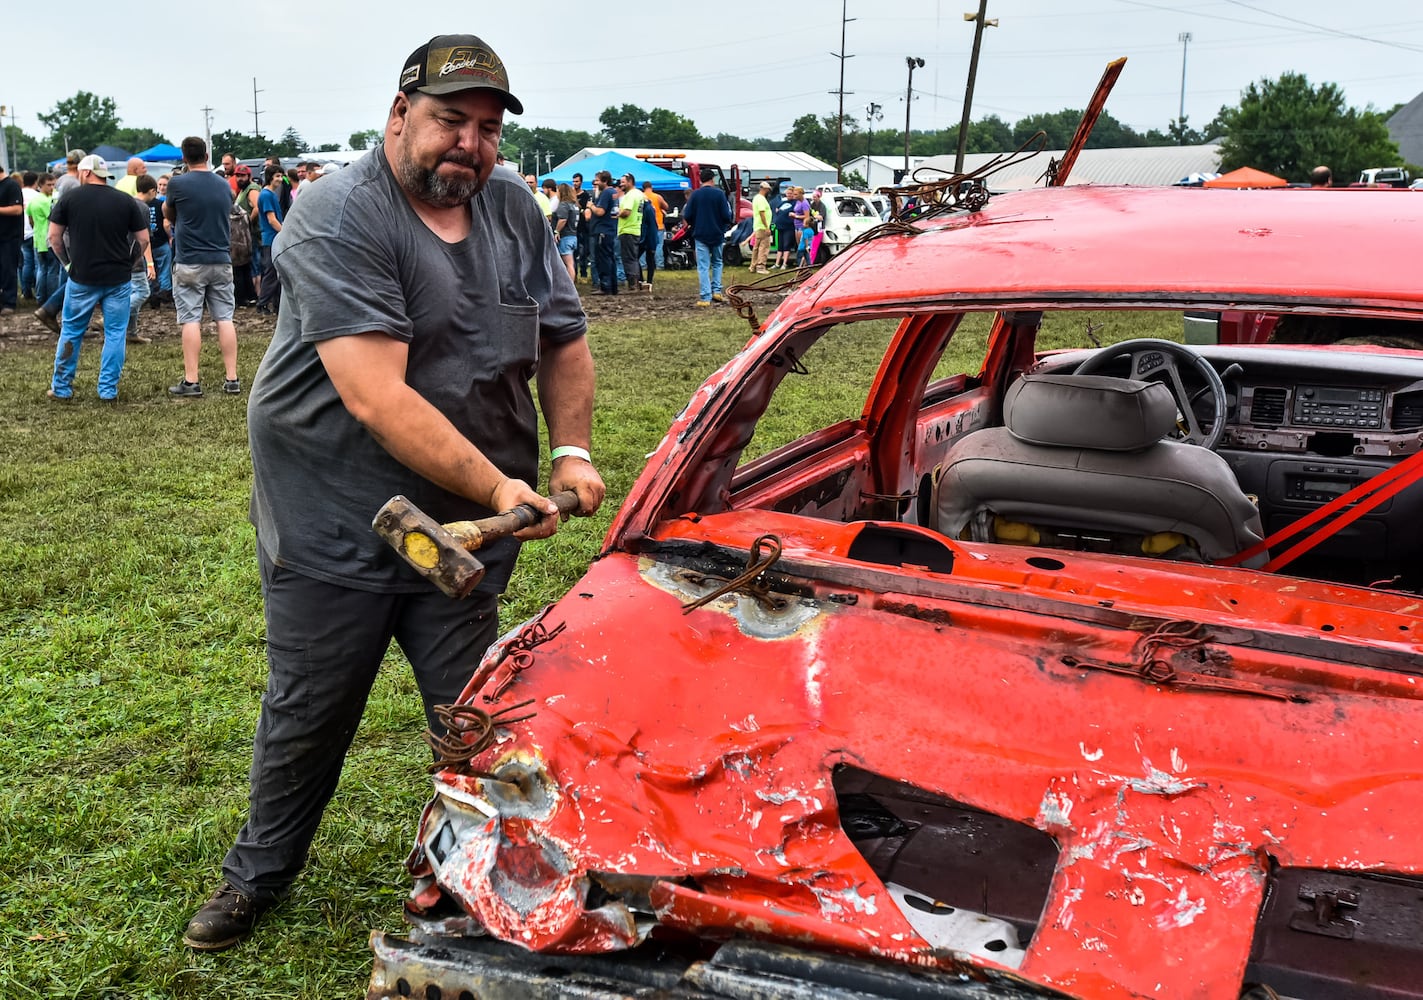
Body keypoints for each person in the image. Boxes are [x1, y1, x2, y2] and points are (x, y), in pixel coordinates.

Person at [181, 30, 604, 952]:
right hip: (337, 509)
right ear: (398, 116)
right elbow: (375, 394)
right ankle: (257, 875)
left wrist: (568, 450)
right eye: (450, 119)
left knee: (475, 710)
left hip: (468, 531)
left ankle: (501, 873)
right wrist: (504, 482)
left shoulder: (514, 211)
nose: (470, 144)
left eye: (489, 128)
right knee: (313, 704)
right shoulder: (339, 212)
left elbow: (563, 336)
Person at [45, 155, 150, 401]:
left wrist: (68, 264)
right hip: (118, 279)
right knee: (115, 333)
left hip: (82, 277)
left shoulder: (70, 198)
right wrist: (130, 262)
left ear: (84, 173)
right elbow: (143, 239)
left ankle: (61, 388)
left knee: (71, 331)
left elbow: (54, 238)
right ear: (104, 176)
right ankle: (107, 389)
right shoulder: (125, 200)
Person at [164, 136, 241, 397]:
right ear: (207, 155)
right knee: (225, 318)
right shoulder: (223, 185)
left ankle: (191, 380)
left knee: (190, 320)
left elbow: (169, 213)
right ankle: (232, 378)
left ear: (184, 158)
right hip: (220, 258)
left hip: (189, 260)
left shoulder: (177, 183)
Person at [682, 166, 732, 307]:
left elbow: (687, 215)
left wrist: (693, 225)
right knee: (717, 262)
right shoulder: (720, 194)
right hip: (716, 233)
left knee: (703, 266)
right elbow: (726, 215)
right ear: (712, 179)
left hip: (701, 233)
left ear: (700, 179)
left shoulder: (695, 195)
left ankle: (705, 297)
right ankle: (716, 291)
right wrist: (722, 227)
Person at [254, 166, 284, 316]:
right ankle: (262, 303)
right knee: (271, 273)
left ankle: (276, 304)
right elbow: (272, 220)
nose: (280, 179)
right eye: (277, 176)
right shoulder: (266, 195)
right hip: (271, 239)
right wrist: (285, 233)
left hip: (273, 238)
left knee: (276, 273)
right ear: (270, 177)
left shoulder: (270, 194)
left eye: (281, 176)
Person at [27, 174, 60, 304]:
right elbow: (54, 218)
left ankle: (40, 298)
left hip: (37, 239)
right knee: (52, 271)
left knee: (41, 269)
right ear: (40, 185)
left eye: (53, 185)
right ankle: (51, 299)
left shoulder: (33, 200)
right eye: (49, 185)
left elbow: (30, 219)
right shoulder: (48, 201)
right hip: (49, 240)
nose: (52, 188)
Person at [588, 170, 618, 295]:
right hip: (610, 229)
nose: (596, 182)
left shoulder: (606, 193)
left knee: (603, 259)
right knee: (610, 258)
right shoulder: (614, 192)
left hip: (602, 230)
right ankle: (613, 286)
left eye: (598, 180)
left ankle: (605, 286)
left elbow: (600, 211)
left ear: (605, 181)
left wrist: (591, 206)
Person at [615, 173, 643, 292]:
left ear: (630, 181)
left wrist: (618, 214)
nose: (621, 184)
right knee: (633, 257)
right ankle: (636, 282)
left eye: (623, 182)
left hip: (627, 229)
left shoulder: (630, 195)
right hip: (636, 228)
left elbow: (626, 212)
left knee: (628, 258)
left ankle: (633, 284)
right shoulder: (639, 194)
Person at [0, 165, 22, 315]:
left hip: (9, 236)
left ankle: (9, 302)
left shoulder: (11, 185)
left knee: (8, 269)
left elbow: (17, 209)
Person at [552, 181, 579, 281]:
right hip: (573, 236)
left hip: (566, 237)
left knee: (568, 264)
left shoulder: (564, 205)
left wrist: (556, 231)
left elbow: (563, 219)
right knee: (570, 263)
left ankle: (569, 286)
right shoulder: (574, 205)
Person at [640, 180, 667, 270]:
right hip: (658, 225)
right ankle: (659, 265)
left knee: (642, 246)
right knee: (658, 245)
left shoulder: (641, 197)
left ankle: (643, 265)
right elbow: (666, 206)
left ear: (643, 188)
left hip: (644, 225)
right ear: (651, 187)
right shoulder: (657, 197)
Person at [571, 172, 591, 279]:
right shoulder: (570, 194)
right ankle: (574, 274)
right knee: (574, 252)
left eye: (577, 181)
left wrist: (576, 201)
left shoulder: (585, 195)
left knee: (584, 252)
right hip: (573, 228)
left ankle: (584, 273)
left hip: (583, 227)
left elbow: (584, 210)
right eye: (573, 181)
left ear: (581, 182)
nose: (575, 184)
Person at [771, 185, 796, 270]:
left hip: (788, 227)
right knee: (780, 246)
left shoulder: (795, 203)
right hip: (780, 226)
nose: (789, 195)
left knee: (786, 245)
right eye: (787, 193)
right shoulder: (783, 202)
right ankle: (777, 263)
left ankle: (785, 263)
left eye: (790, 193)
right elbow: (777, 208)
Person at [750, 181, 772, 274]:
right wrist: (767, 226)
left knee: (756, 247)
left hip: (757, 226)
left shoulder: (756, 198)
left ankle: (753, 266)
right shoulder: (761, 199)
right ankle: (761, 266)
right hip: (762, 226)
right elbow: (762, 213)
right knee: (764, 247)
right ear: (765, 189)